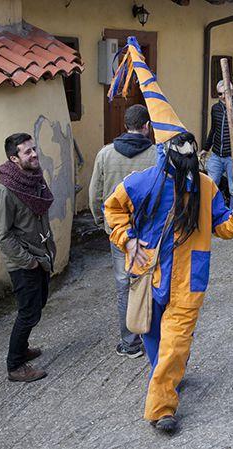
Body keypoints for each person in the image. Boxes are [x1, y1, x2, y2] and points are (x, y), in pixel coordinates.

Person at [104, 132, 233, 433]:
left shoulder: (206, 186)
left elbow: (222, 226)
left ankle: (161, 408)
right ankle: (168, 376)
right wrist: (128, 240)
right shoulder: (143, 182)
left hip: (188, 279)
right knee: (153, 337)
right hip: (148, 275)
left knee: (176, 343)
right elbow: (113, 208)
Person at [89, 104, 157, 359]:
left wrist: (102, 223)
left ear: (125, 125)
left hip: (119, 232)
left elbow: (95, 194)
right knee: (153, 281)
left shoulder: (105, 154)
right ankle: (152, 337)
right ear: (147, 126)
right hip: (150, 232)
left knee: (124, 286)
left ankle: (129, 343)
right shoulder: (157, 155)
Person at [0, 133, 56, 383]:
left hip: (41, 256)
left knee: (37, 305)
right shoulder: (5, 191)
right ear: (13, 158)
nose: (34, 154)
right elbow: (2, 235)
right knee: (28, 312)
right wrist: (28, 261)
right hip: (24, 262)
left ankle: (22, 348)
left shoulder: (33, 179)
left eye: (34, 149)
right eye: (27, 152)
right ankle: (15, 365)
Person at [202, 80, 233, 208]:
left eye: (225, 93)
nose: (223, 96)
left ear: (232, 91)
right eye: (220, 94)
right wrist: (205, 148)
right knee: (211, 186)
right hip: (216, 154)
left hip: (232, 156)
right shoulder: (216, 108)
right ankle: (212, 216)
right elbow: (213, 130)